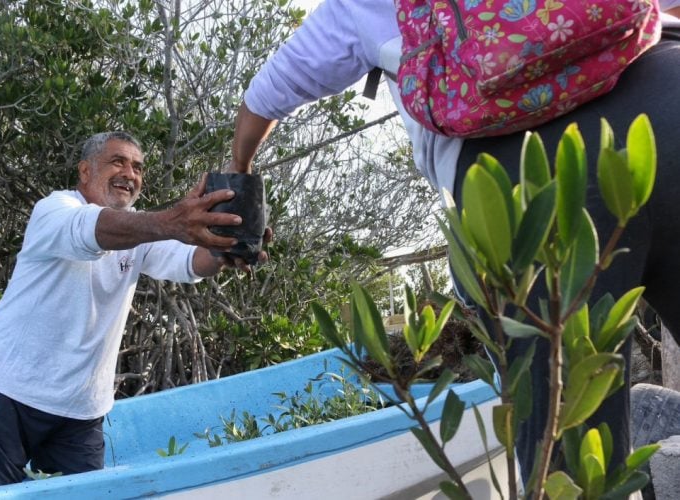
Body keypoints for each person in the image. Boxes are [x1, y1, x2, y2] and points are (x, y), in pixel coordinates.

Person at [228, 0, 680, 484]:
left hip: (520, 180)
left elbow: (269, 93)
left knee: (570, 463)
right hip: (667, 91)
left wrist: (239, 169)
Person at [0, 131, 268, 488]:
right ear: (85, 171)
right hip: (6, 391)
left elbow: (192, 262)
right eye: (118, 162)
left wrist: (226, 246)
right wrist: (172, 221)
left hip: (81, 407)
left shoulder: (140, 232)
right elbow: (91, 230)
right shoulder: (54, 210)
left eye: (138, 167)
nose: (130, 174)